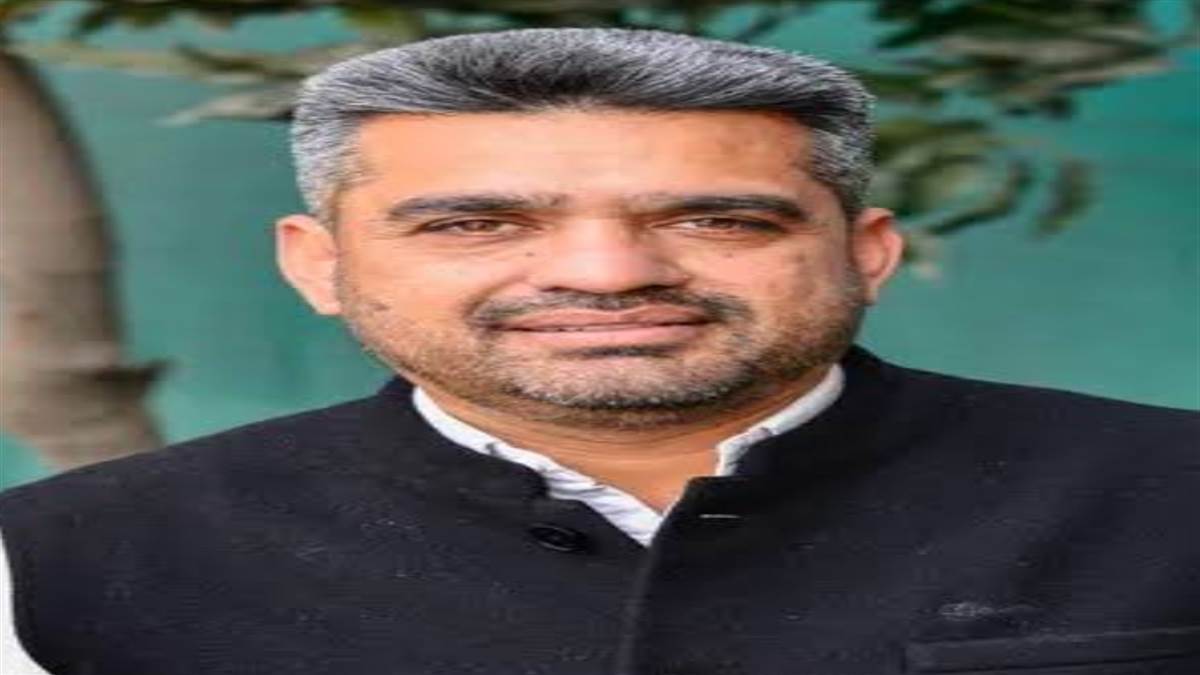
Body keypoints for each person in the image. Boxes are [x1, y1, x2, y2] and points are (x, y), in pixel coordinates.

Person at [1, 27, 1197, 675]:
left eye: (719, 220)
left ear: (866, 251)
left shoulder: (1170, 493)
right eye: (476, 224)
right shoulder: (56, 563)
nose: (610, 274)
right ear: (317, 264)